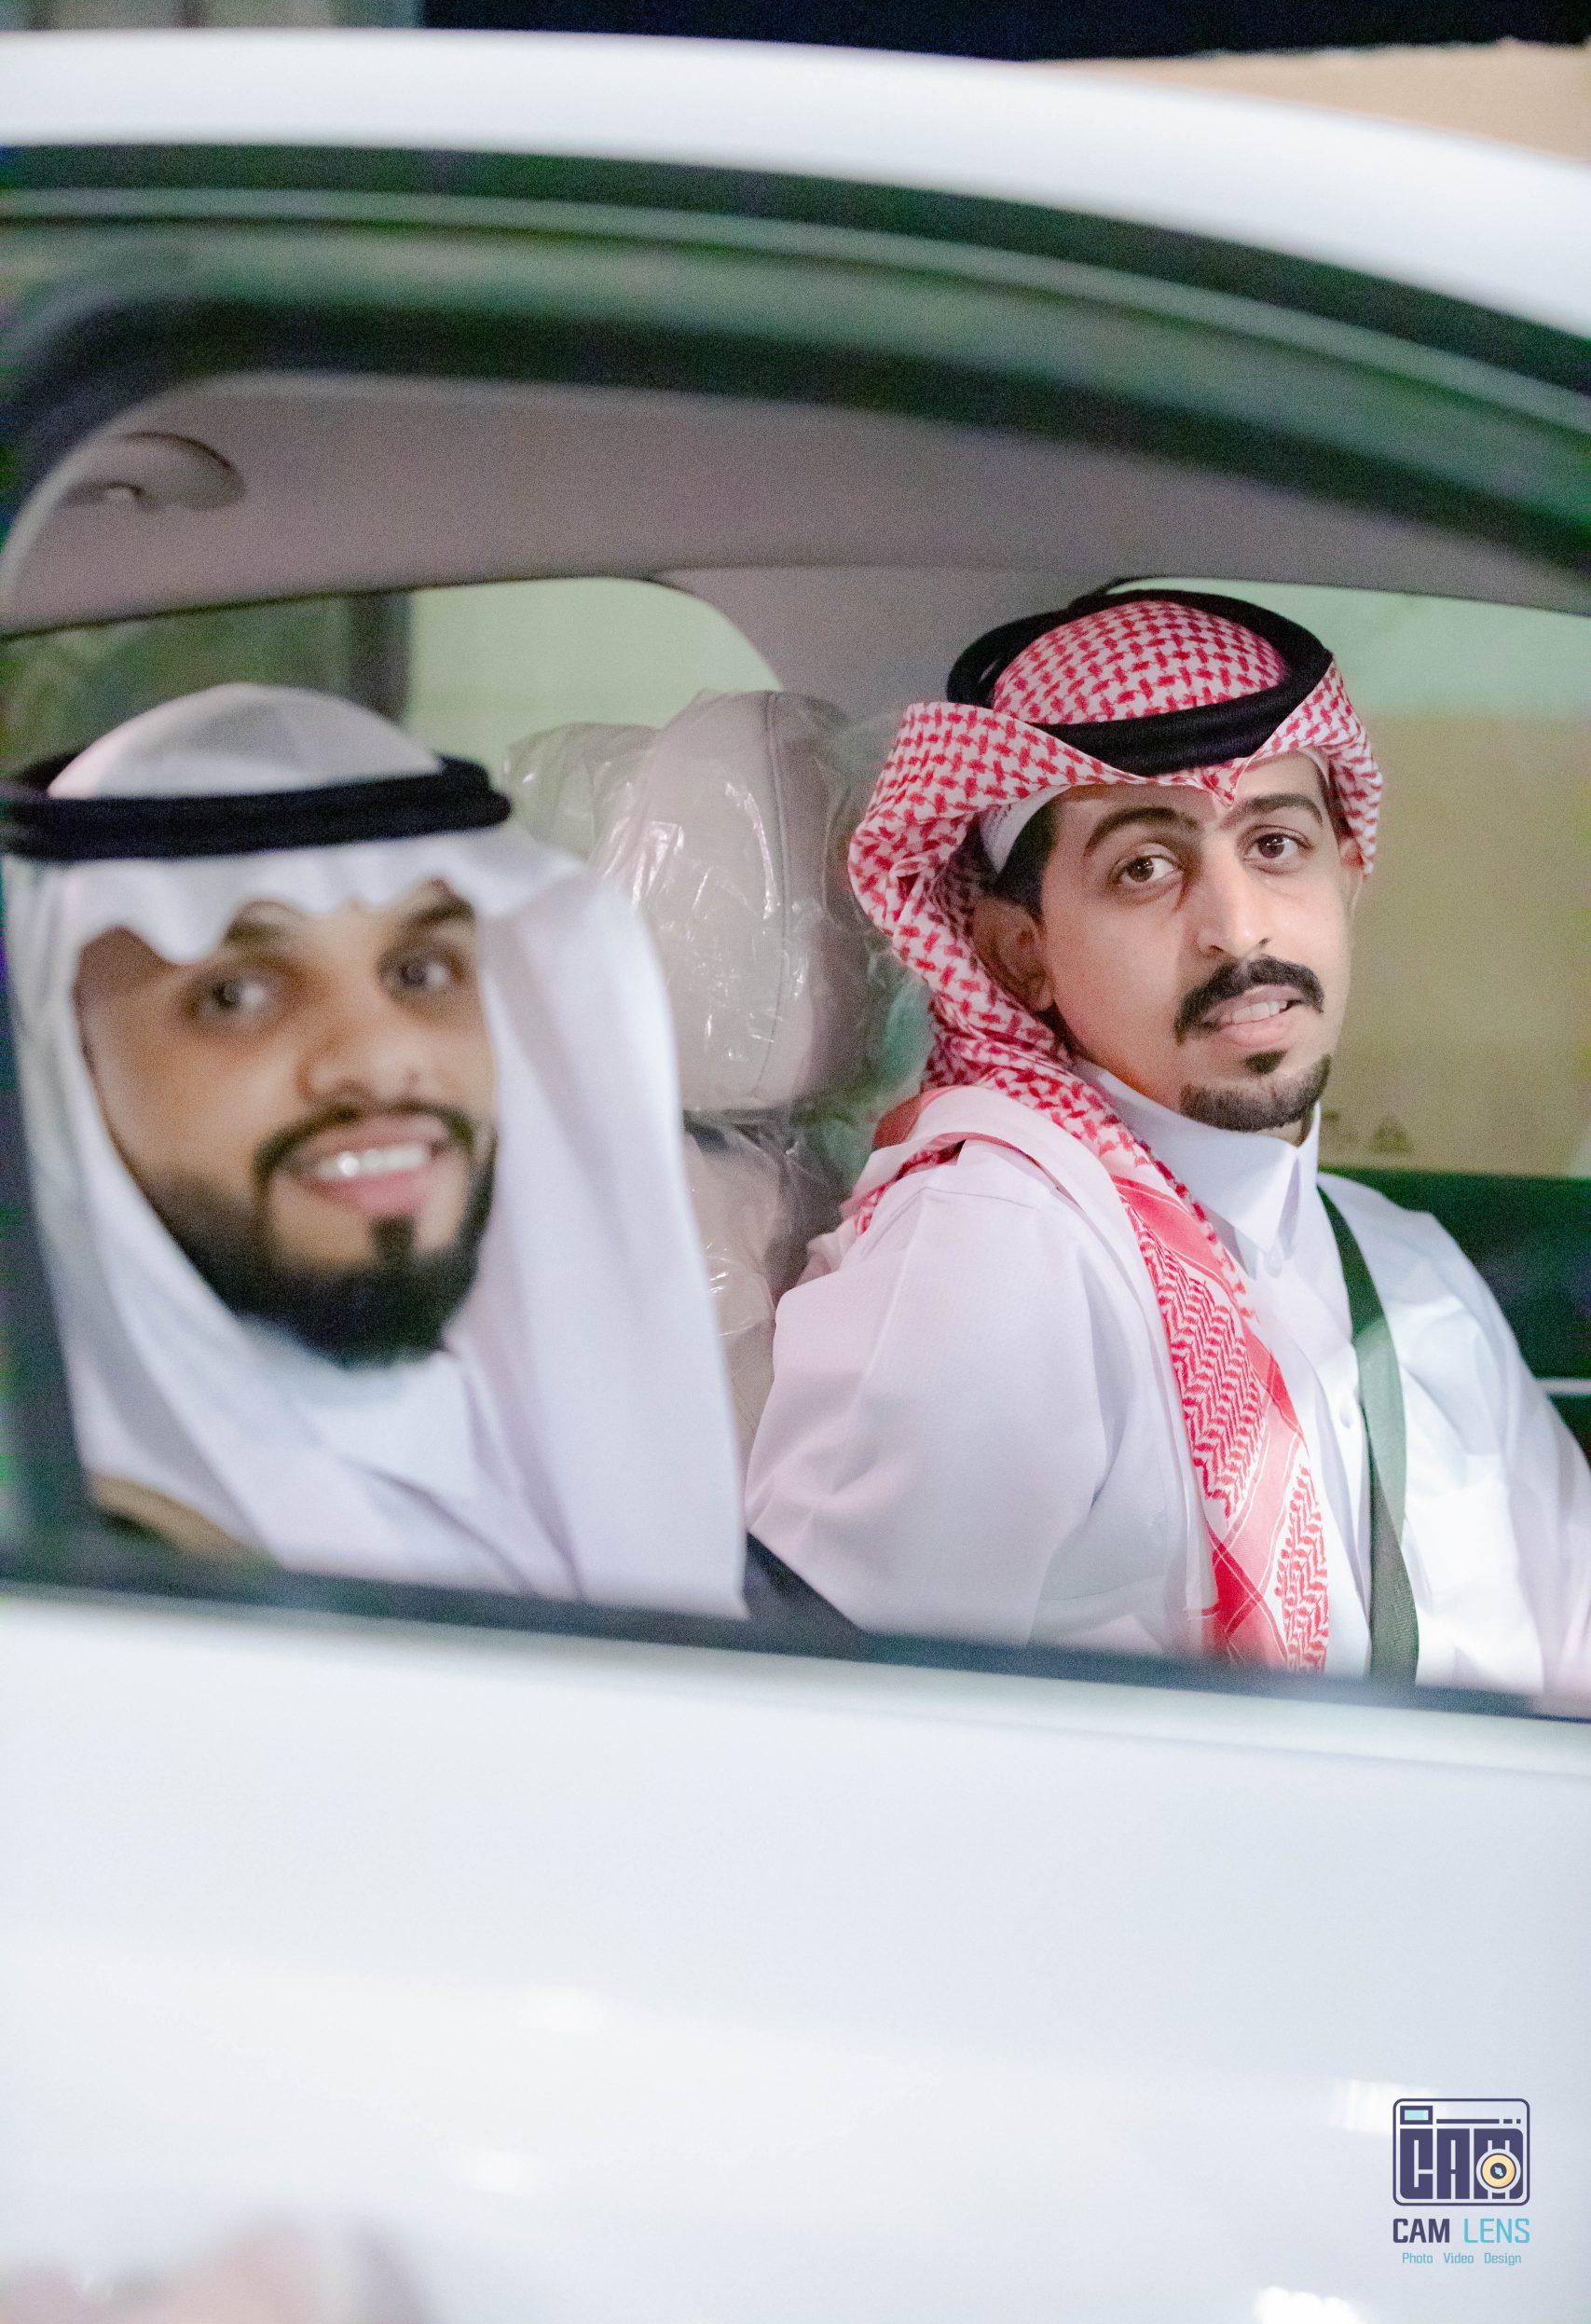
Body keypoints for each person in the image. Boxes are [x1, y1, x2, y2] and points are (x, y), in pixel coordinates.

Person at [746, 587, 1591, 1694]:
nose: (1237, 927)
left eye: (1277, 845)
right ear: (1017, 953)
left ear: (1347, 878)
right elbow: (821, 1722)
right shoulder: (1001, 1248)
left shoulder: (1404, 1269)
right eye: (1144, 867)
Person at [1, 682, 744, 1610]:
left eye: (420, 971)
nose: (383, 1060)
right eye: (236, 994)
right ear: (64, 1063)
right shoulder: (84, 1565)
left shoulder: (525, 1439)